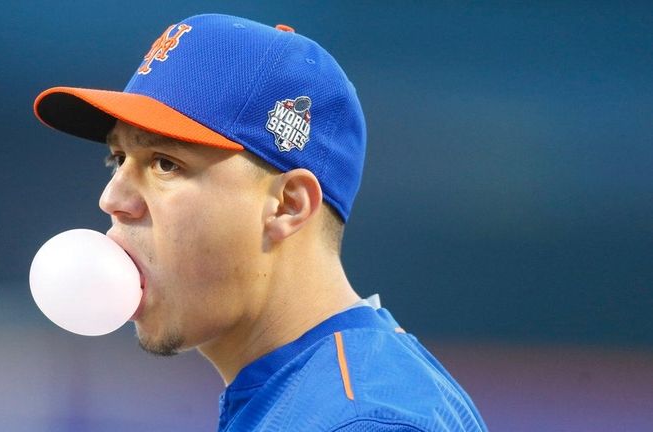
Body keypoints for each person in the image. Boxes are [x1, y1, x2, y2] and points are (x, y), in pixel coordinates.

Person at [33, 13, 488, 432]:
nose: (112, 199)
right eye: (118, 158)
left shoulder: (363, 421)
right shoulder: (315, 395)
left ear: (288, 205)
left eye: (165, 163)